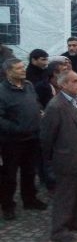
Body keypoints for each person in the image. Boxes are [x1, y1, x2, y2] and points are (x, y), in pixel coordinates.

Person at [40, 71, 77, 242]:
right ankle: (59, 230)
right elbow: (47, 137)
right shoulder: (56, 106)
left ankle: (73, 220)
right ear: (63, 85)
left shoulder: (76, 99)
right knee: (65, 195)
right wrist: (50, 160)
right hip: (66, 157)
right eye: (75, 81)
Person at [0, 58, 47, 221]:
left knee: (29, 171)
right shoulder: (2, 91)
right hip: (12, 141)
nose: (23, 70)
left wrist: (40, 112)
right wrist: (16, 128)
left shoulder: (28, 86)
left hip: (32, 137)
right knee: (9, 175)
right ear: (8, 72)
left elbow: (35, 103)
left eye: (23, 67)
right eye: (19, 68)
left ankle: (30, 199)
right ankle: (7, 205)